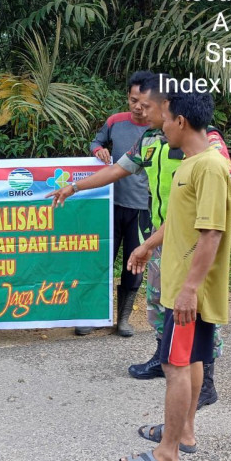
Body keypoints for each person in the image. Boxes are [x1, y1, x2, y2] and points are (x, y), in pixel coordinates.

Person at [116, 85, 231, 461]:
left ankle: (167, 456)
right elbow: (181, 221)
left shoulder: (211, 167)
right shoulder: (191, 164)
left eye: (164, 119)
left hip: (188, 290)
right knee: (192, 359)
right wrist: (147, 245)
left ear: (180, 121)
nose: (160, 125)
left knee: (175, 364)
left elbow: (211, 234)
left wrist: (189, 289)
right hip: (181, 285)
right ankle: (182, 433)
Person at [75, 71, 156, 337]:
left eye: (144, 103)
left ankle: (123, 318)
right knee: (101, 260)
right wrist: (97, 149)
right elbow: (96, 140)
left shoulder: (159, 129)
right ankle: (95, 314)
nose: (138, 108)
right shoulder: (115, 122)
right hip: (109, 205)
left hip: (142, 209)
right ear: (128, 97)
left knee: (134, 264)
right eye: (133, 101)